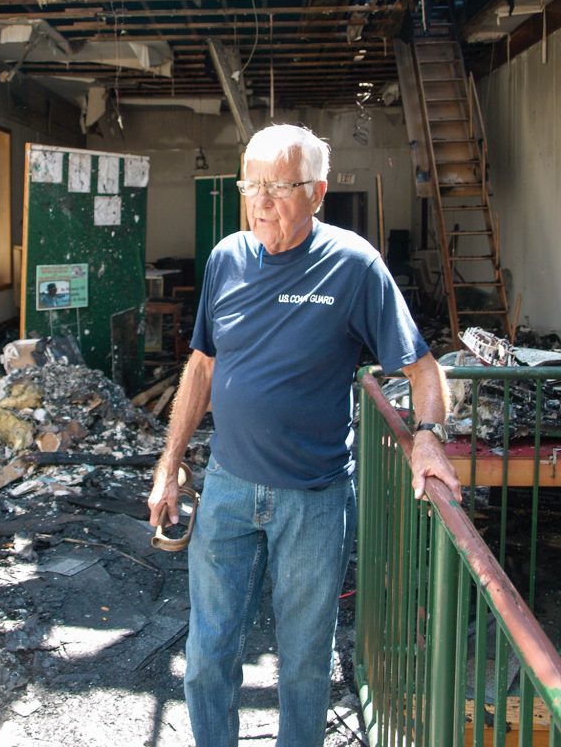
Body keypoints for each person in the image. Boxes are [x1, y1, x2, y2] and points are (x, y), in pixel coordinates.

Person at [148, 123, 461, 747]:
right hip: (230, 490)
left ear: (317, 192)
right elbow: (203, 366)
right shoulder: (225, 259)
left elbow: (422, 368)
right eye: (252, 185)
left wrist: (426, 437)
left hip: (313, 500)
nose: (261, 201)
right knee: (208, 651)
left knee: (304, 663)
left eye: (279, 186)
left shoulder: (353, 266)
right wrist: (170, 462)